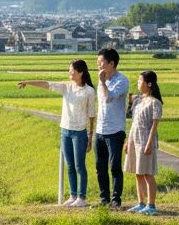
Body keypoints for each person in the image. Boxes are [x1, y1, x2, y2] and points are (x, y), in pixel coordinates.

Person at [18, 60, 96, 207]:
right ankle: (73, 195)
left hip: (80, 132)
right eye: (69, 70)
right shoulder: (66, 87)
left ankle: (82, 197)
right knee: (70, 165)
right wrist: (27, 82)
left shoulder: (89, 91)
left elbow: (91, 115)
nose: (70, 73)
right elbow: (47, 84)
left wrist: (90, 136)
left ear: (81, 72)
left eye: (72, 71)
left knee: (80, 166)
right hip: (65, 130)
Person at [94, 48, 130, 208]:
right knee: (100, 167)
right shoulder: (102, 81)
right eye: (97, 63)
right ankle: (104, 199)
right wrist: (102, 82)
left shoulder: (121, 80)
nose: (98, 66)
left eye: (101, 63)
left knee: (114, 166)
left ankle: (116, 200)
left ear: (111, 63)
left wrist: (102, 82)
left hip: (115, 131)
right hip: (100, 129)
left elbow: (109, 99)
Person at [124, 71, 163, 215]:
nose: (138, 83)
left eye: (140, 81)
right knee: (137, 172)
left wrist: (149, 143)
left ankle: (151, 205)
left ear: (149, 84)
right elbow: (134, 123)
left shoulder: (155, 103)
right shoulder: (139, 101)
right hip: (135, 139)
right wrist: (128, 141)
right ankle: (141, 203)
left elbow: (154, 125)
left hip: (146, 140)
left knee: (148, 174)